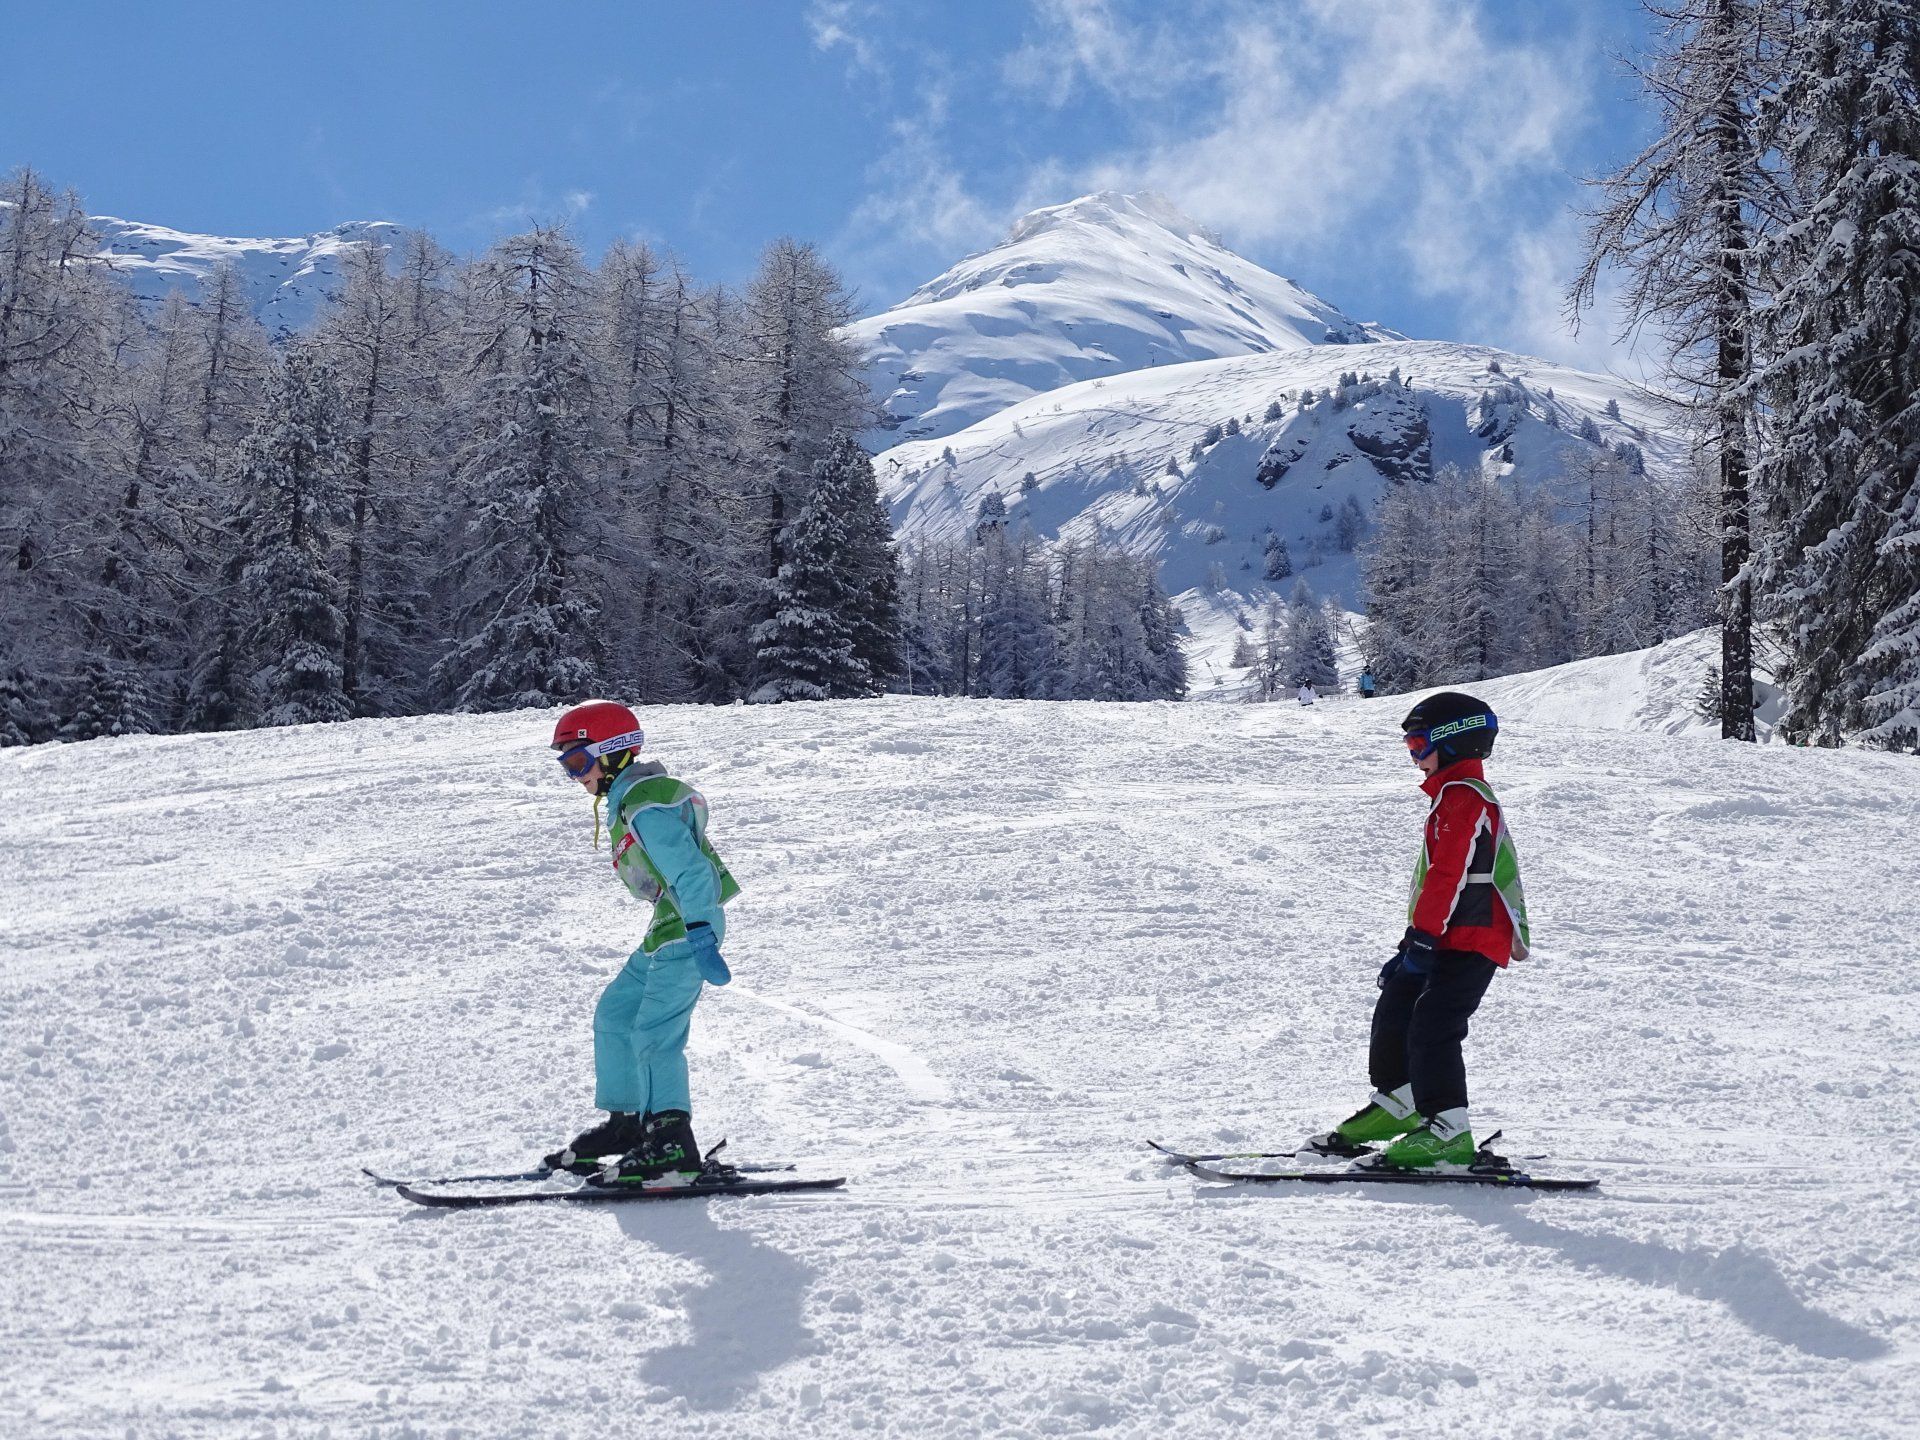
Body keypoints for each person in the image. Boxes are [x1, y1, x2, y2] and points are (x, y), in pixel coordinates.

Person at [1317, 692, 1530, 1169]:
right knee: (1397, 1004)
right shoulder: (1450, 797)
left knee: (1435, 1024)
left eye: (1418, 744)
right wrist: (1415, 942)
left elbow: (1447, 875)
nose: (1413, 757)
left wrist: (1422, 939)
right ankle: (1402, 1103)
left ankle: (1449, 1132)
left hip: (1474, 935)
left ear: (1454, 744)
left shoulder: (1465, 798)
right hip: (1446, 934)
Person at [542, 700, 740, 1187]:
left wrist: (699, 931)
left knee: (655, 1033)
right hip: (665, 927)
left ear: (612, 754)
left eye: (578, 762)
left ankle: (671, 1143)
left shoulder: (645, 806)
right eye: (567, 766)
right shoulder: (630, 801)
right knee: (617, 1015)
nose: (575, 777)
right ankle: (628, 1126)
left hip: (687, 927)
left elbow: (693, 873)